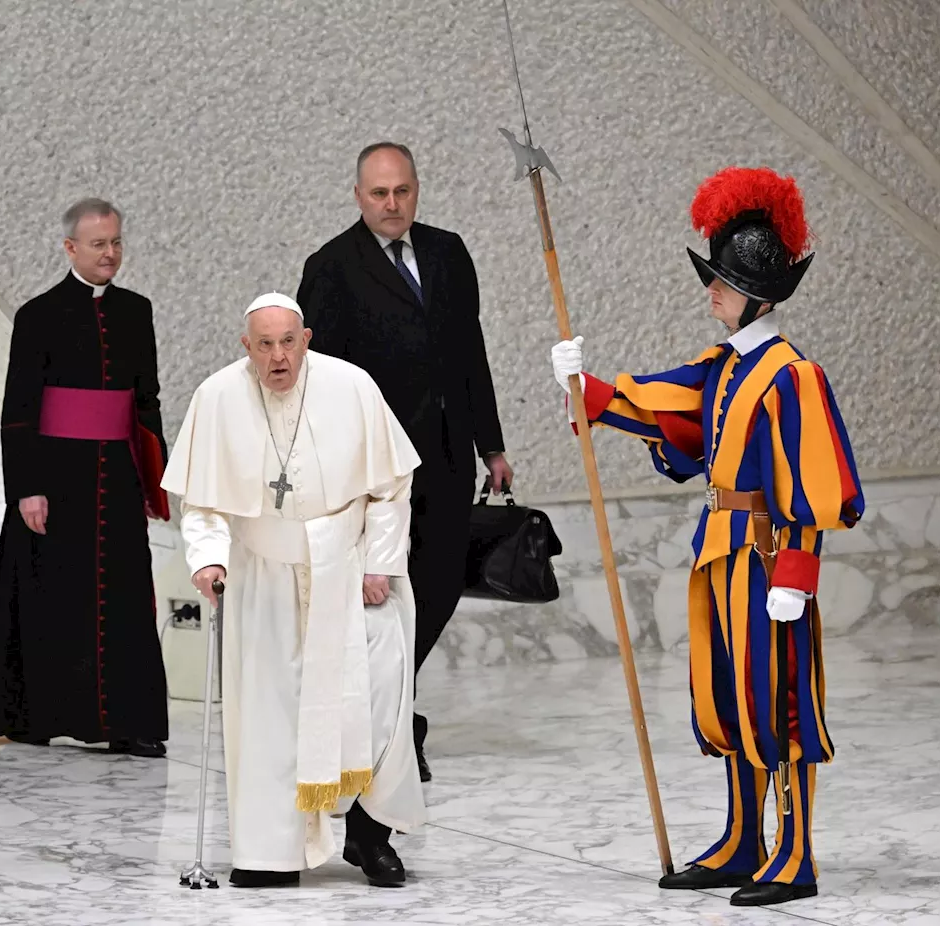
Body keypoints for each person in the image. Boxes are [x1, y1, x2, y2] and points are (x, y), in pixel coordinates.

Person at [549, 167, 864, 907]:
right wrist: (589, 388)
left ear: (758, 293)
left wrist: (796, 574)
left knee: (778, 705)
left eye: (721, 281)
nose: (710, 292)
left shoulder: (793, 376)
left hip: (766, 561)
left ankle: (794, 854)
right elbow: (667, 403)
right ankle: (742, 839)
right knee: (729, 699)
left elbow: (816, 487)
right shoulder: (726, 365)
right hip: (720, 558)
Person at [161, 293, 427, 888]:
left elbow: (390, 486)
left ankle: (370, 833)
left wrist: (379, 564)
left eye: (288, 342)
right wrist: (206, 560)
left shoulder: (352, 386)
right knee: (268, 716)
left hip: (350, 568)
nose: (278, 357)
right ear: (245, 347)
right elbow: (201, 503)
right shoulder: (217, 397)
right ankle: (268, 852)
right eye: (265, 345)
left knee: (377, 703)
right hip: (262, 575)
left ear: (305, 338)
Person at [297, 141, 514, 782]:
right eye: (379, 194)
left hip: (446, 451)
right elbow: (321, 376)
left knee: (442, 583)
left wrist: (491, 444)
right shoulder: (331, 266)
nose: (392, 205)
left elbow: (471, 351)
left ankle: (397, 704)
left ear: (417, 190)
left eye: (403, 192)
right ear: (359, 195)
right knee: (385, 592)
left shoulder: (448, 252)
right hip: (376, 464)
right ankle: (391, 724)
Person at [0, 198, 171, 758]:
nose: (111, 253)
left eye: (117, 242)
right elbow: (20, 408)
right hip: (57, 478)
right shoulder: (38, 315)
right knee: (52, 598)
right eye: (99, 244)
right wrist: (26, 486)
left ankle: (130, 721)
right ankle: (39, 714)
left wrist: (156, 477)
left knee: (125, 598)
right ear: (70, 248)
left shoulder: (136, 310)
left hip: (119, 476)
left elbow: (146, 401)